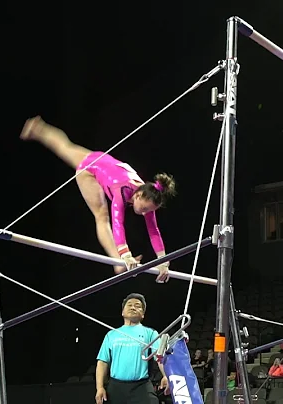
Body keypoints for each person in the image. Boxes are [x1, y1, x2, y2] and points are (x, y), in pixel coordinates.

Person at [20, 116, 176, 282]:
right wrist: (125, 255)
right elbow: (118, 223)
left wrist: (163, 261)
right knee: (102, 217)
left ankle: (39, 129)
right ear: (137, 195)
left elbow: (154, 231)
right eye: (144, 209)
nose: (145, 213)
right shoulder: (121, 191)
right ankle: (117, 261)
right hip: (89, 171)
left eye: (149, 210)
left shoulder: (149, 194)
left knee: (66, 148)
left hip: (100, 159)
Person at [96, 293, 168, 404]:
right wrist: (99, 387)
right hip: (116, 387)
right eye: (129, 305)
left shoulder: (151, 333)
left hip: (141, 386)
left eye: (138, 306)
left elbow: (160, 357)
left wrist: (166, 375)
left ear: (143, 314)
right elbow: (102, 362)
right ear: (122, 312)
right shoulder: (111, 335)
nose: (133, 307)